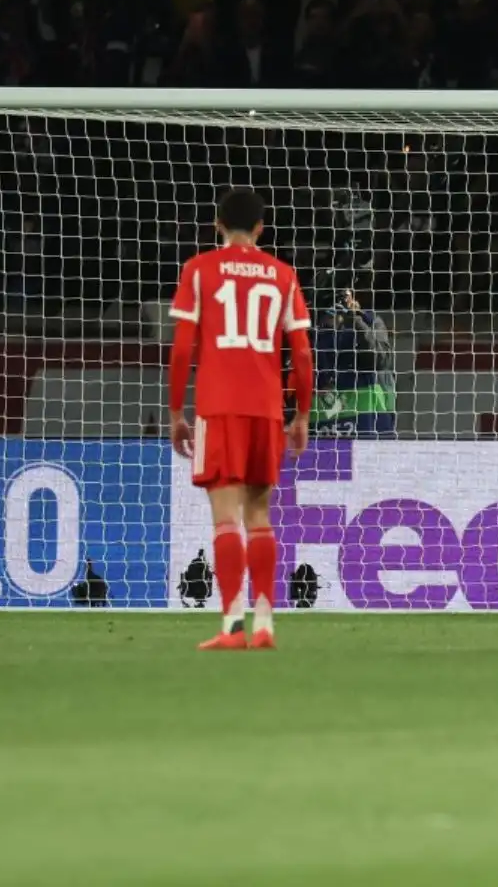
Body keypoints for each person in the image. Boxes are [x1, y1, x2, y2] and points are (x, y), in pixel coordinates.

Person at [169, 188, 314, 651]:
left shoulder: (199, 270)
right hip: (267, 409)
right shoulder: (283, 275)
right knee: (260, 514)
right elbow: (304, 355)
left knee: (224, 516)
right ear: (260, 229)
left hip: (219, 405)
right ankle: (267, 621)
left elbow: (181, 350)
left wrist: (175, 412)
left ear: (216, 224)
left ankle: (233, 625)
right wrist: (302, 415)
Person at [309, 282, 395, 437]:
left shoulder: (370, 320)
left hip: (370, 416)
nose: (344, 303)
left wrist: (355, 319)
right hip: (325, 420)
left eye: (346, 298)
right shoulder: (313, 331)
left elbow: (380, 360)